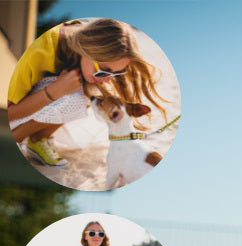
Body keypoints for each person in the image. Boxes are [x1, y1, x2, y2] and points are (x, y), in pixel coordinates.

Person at [7, 18, 168, 167]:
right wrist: (53, 91)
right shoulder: (40, 52)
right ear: (87, 49)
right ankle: (15, 142)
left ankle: (37, 140)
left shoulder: (85, 46)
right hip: (11, 116)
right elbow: (8, 113)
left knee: (83, 95)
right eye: (104, 71)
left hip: (38, 101)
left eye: (115, 73)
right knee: (74, 98)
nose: (107, 79)